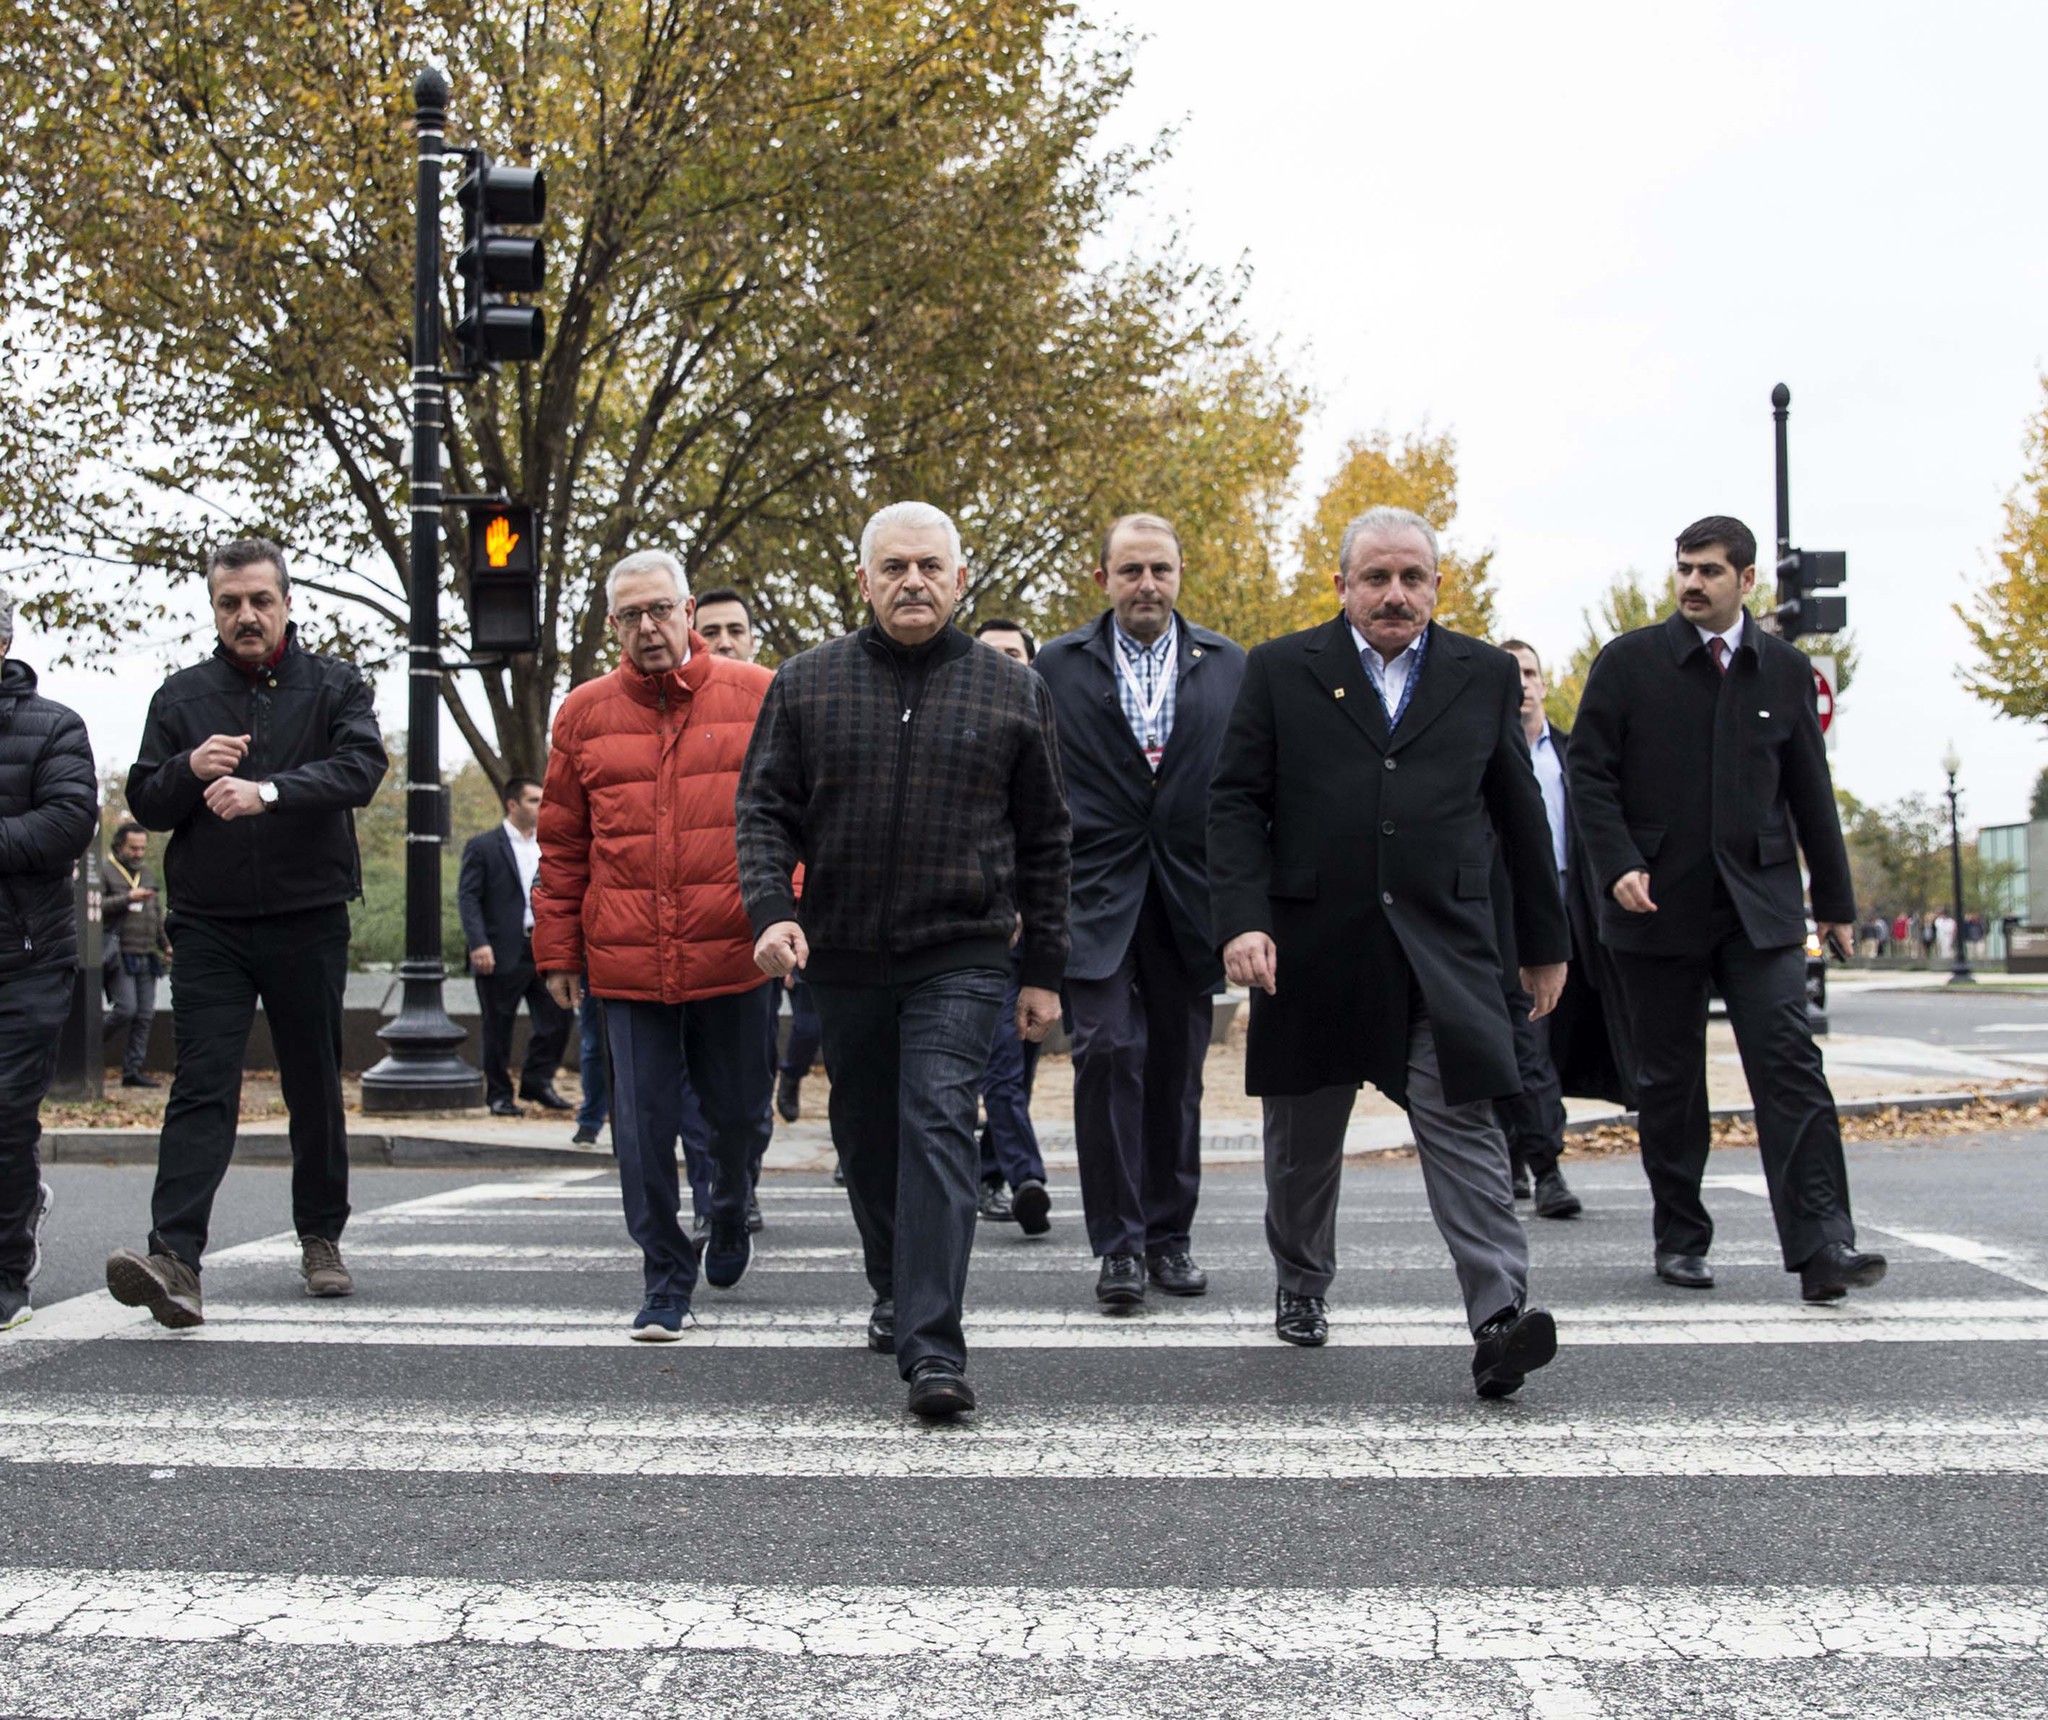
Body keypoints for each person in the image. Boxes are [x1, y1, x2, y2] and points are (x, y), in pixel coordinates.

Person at [1209, 505, 1567, 1399]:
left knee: (1467, 1131)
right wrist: (1242, 921)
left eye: (1412, 578)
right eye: (1377, 578)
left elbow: (1521, 815)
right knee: (1301, 1148)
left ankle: (1499, 1319)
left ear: (1438, 587)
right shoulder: (1282, 669)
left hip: (1440, 955)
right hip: (1311, 951)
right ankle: (1301, 1282)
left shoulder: (1482, 673)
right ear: (1342, 586)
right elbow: (1233, 803)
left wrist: (1546, 946)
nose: (1395, 594)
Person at [738, 500, 1070, 1418]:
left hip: (959, 952)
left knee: (934, 1121)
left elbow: (1048, 839)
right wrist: (771, 911)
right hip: (840, 953)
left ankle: (933, 1349)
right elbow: (763, 812)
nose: (912, 581)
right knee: (867, 1132)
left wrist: (1043, 966)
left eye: (930, 566)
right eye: (894, 567)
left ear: (961, 580)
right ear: (865, 582)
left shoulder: (1012, 690)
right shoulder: (807, 684)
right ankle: (892, 1279)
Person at [1568, 514, 1885, 1304]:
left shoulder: (1784, 671)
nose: (1691, 584)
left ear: (1747, 582)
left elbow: (1811, 790)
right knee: (1670, 1081)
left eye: (1709, 571)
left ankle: (1823, 1245)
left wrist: (1836, 903)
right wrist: (1618, 865)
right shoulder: (1629, 664)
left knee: (1790, 1065)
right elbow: (1590, 775)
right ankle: (1680, 1238)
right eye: (1684, 569)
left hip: (1762, 907)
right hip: (1656, 906)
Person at [106, 538, 388, 1328]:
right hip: (210, 926)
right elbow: (149, 803)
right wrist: (189, 768)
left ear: (287, 603)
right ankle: (174, 1260)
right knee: (202, 1085)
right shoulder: (180, 697)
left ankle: (321, 1237)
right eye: (230, 603)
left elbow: (362, 770)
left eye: (260, 600)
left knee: (312, 1082)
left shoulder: (334, 684)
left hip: (307, 916)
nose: (247, 616)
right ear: (214, 609)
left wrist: (269, 790)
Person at [532, 549, 775, 1340]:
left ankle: (731, 1208)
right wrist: (557, 950)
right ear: (613, 626)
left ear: (687, 609)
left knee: (738, 1119)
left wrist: (789, 918)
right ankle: (665, 1279)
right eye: (631, 615)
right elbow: (563, 844)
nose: (648, 627)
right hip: (627, 961)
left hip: (734, 953)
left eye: (660, 610)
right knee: (639, 1135)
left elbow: (793, 823)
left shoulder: (759, 695)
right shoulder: (582, 714)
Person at [1036, 519, 1245, 1309]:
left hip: (1190, 899)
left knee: (1175, 1074)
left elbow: (1245, 789)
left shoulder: (1228, 665)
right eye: (1130, 570)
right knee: (1106, 1052)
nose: (1146, 584)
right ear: (1103, 578)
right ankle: (1118, 1247)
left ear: (1181, 573)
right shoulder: (1059, 664)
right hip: (1092, 896)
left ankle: (1170, 1237)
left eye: (1159, 569)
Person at [0, 587, 98, 1332]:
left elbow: (65, 824)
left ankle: (6, 1274)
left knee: (4, 1118)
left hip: (25, 959)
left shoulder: (54, 726)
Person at [1491, 641, 1584, 1220]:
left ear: (1544, 683)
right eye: (1511, 674)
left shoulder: (1572, 756)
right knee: (1517, 1044)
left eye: (1529, 672)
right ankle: (1539, 1164)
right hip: (1497, 915)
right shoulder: (1476, 749)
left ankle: (1529, 1158)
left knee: (1538, 1046)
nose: (1522, 683)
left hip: (1568, 912)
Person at [967, 617, 1051, 1234]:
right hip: (986, 933)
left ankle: (988, 1170)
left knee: (1020, 1066)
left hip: (1041, 938)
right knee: (999, 1062)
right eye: (992, 654)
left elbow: (1057, 840)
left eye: (1016, 655)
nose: (1006, 664)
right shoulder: (964, 736)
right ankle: (1026, 1176)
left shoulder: (1047, 736)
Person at [457, 776, 573, 1116]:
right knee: (498, 1027)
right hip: (499, 949)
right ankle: (498, 1095)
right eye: (534, 800)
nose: (541, 807)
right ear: (513, 804)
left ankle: (537, 1081)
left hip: (542, 947)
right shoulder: (483, 846)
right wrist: (478, 943)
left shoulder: (550, 845)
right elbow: (468, 898)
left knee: (559, 1017)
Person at [101, 822, 172, 1089]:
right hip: (119, 953)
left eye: (142, 848)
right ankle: (86, 1048)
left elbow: (155, 914)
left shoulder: (147, 873)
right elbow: (94, 906)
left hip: (145, 952)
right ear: (120, 846)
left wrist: (165, 944)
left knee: (144, 1015)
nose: (138, 853)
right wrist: (128, 898)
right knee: (125, 1009)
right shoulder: (106, 872)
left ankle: (132, 1070)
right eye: (133, 848)